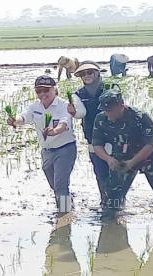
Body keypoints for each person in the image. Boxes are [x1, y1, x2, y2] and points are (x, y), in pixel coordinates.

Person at [92, 89, 153, 218]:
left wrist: (133, 162)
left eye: (110, 110)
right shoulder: (101, 119)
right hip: (122, 156)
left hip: (149, 156)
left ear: (121, 105)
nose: (108, 114)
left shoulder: (140, 117)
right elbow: (97, 145)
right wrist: (108, 159)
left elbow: (151, 144)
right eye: (105, 110)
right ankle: (112, 226)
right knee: (112, 196)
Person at [7, 75, 78, 213]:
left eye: (46, 90)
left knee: (60, 184)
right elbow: (24, 117)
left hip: (65, 149)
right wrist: (14, 120)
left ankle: (64, 214)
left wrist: (54, 131)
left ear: (54, 89)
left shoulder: (64, 105)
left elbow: (64, 124)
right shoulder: (35, 107)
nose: (42, 94)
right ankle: (66, 202)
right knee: (54, 184)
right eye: (38, 91)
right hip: (47, 150)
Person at [68, 61, 109, 207]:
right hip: (93, 139)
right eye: (83, 74)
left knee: (116, 171)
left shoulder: (109, 89)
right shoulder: (78, 94)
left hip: (114, 138)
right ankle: (105, 201)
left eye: (90, 72)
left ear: (97, 73)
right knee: (100, 171)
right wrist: (73, 113)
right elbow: (80, 113)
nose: (87, 76)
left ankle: (117, 202)